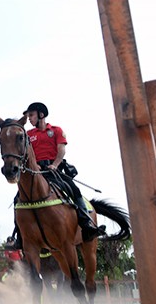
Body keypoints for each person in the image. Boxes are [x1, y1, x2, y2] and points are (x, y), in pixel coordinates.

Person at [7, 102, 105, 250]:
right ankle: (19, 236)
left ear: (41, 115)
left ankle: (87, 225)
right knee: (17, 200)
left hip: (54, 170)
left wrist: (55, 164)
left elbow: (61, 151)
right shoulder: (28, 135)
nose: (29, 119)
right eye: (28, 116)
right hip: (37, 172)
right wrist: (34, 165)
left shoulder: (56, 130)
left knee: (74, 190)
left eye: (31, 115)